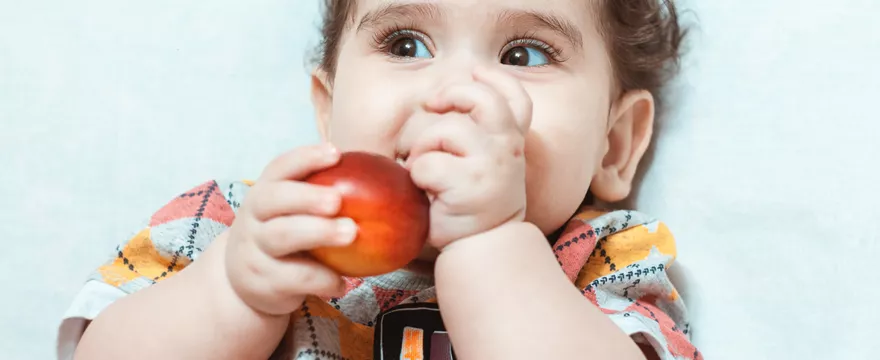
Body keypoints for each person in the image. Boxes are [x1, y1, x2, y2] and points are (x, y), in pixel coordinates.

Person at [59, 0, 699, 359]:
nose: (454, 95)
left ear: (614, 146)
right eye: (406, 45)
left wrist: (491, 245)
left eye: (523, 55)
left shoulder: (603, 264)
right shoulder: (241, 226)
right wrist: (233, 293)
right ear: (327, 112)